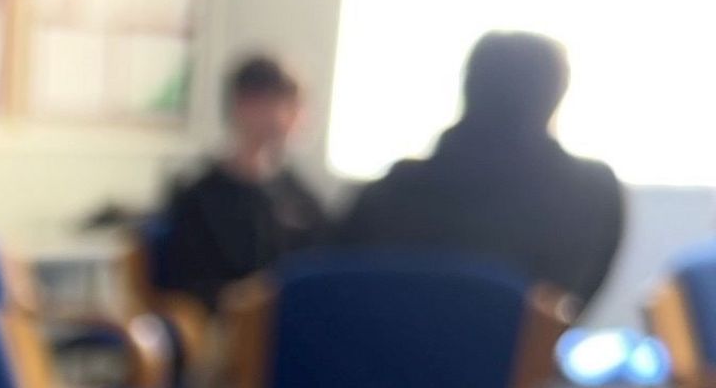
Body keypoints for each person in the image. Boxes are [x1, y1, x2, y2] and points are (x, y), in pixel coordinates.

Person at [333, 31, 625, 309]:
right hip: (518, 360)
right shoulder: (593, 194)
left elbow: (338, 287)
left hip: (378, 358)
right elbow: (571, 304)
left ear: (470, 85)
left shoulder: (386, 194)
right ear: (555, 95)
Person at [160, 55, 329, 309]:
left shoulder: (300, 196)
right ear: (245, 105)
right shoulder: (199, 198)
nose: (297, 117)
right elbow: (183, 287)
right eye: (286, 103)